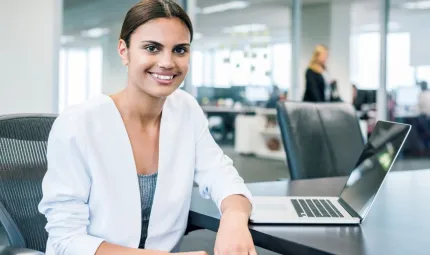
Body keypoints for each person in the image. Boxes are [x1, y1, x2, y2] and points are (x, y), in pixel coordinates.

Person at [38, 1, 256, 255]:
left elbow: (223, 176)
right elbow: (67, 240)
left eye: (179, 50)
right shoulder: (78, 124)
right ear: (124, 51)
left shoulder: (186, 110)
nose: (167, 62)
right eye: (152, 48)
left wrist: (234, 218)